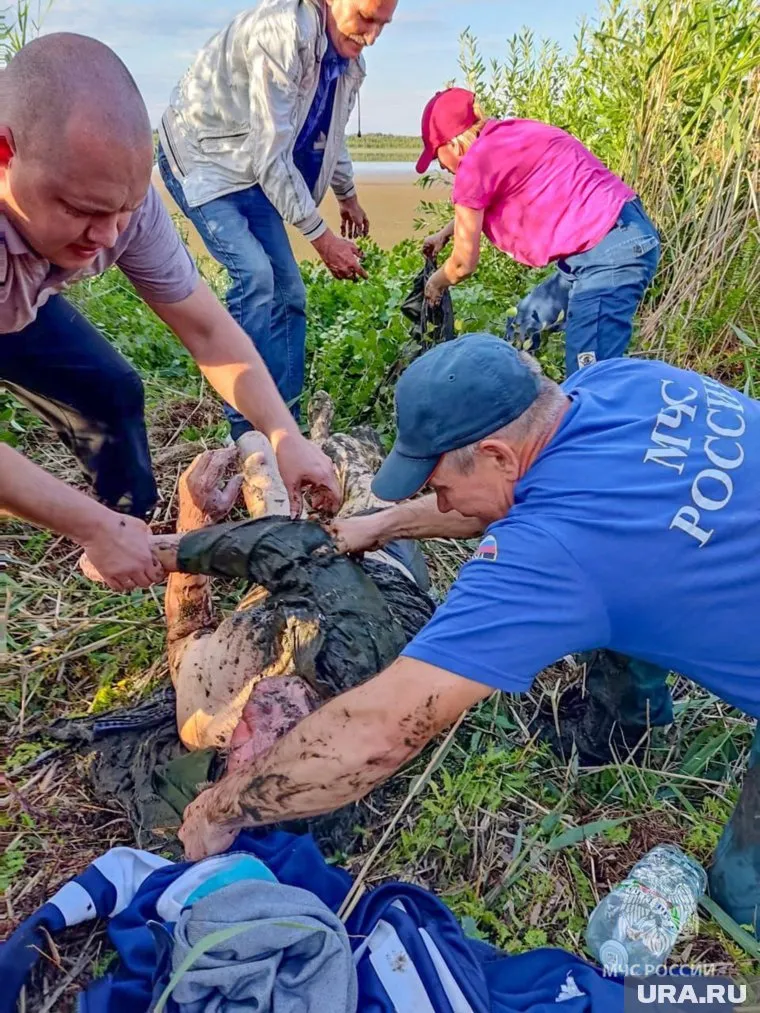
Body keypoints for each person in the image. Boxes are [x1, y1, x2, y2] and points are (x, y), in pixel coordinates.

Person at [178, 333, 760, 933]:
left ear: (498, 455)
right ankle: (622, 733)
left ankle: (742, 929)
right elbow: (550, 509)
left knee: (743, 896)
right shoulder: (617, 383)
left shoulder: (553, 555)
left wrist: (227, 805)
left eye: (436, 486)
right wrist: (383, 525)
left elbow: (381, 732)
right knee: (640, 572)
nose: (442, 501)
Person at [0, 33, 340, 592]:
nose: (107, 236)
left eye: (124, 209)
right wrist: (87, 526)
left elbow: (208, 332)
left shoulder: (118, 204)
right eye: (81, 210)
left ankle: (128, 530)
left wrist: (283, 433)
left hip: (23, 302)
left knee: (111, 391)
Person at [158, 0, 397, 439]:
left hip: (252, 171)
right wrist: (322, 239)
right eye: (366, 17)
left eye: (383, 24)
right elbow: (271, 155)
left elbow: (328, 131)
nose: (372, 36)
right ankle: (246, 433)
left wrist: (347, 195)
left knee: (290, 292)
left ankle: (286, 424)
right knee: (256, 276)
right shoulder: (280, 34)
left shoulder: (347, 62)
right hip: (203, 160)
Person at [419, 89, 661, 378]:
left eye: (437, 155)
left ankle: (595, 419)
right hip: (611, 235)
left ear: (454, 145)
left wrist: (435, 284)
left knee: (590, 376)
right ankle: (524, 407)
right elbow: (483, 201)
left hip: (609, 251)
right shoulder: (511, 134)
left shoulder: (472, 166)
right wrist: (446, 233)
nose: (441, 166)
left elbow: (462, 264)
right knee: (523, 325)